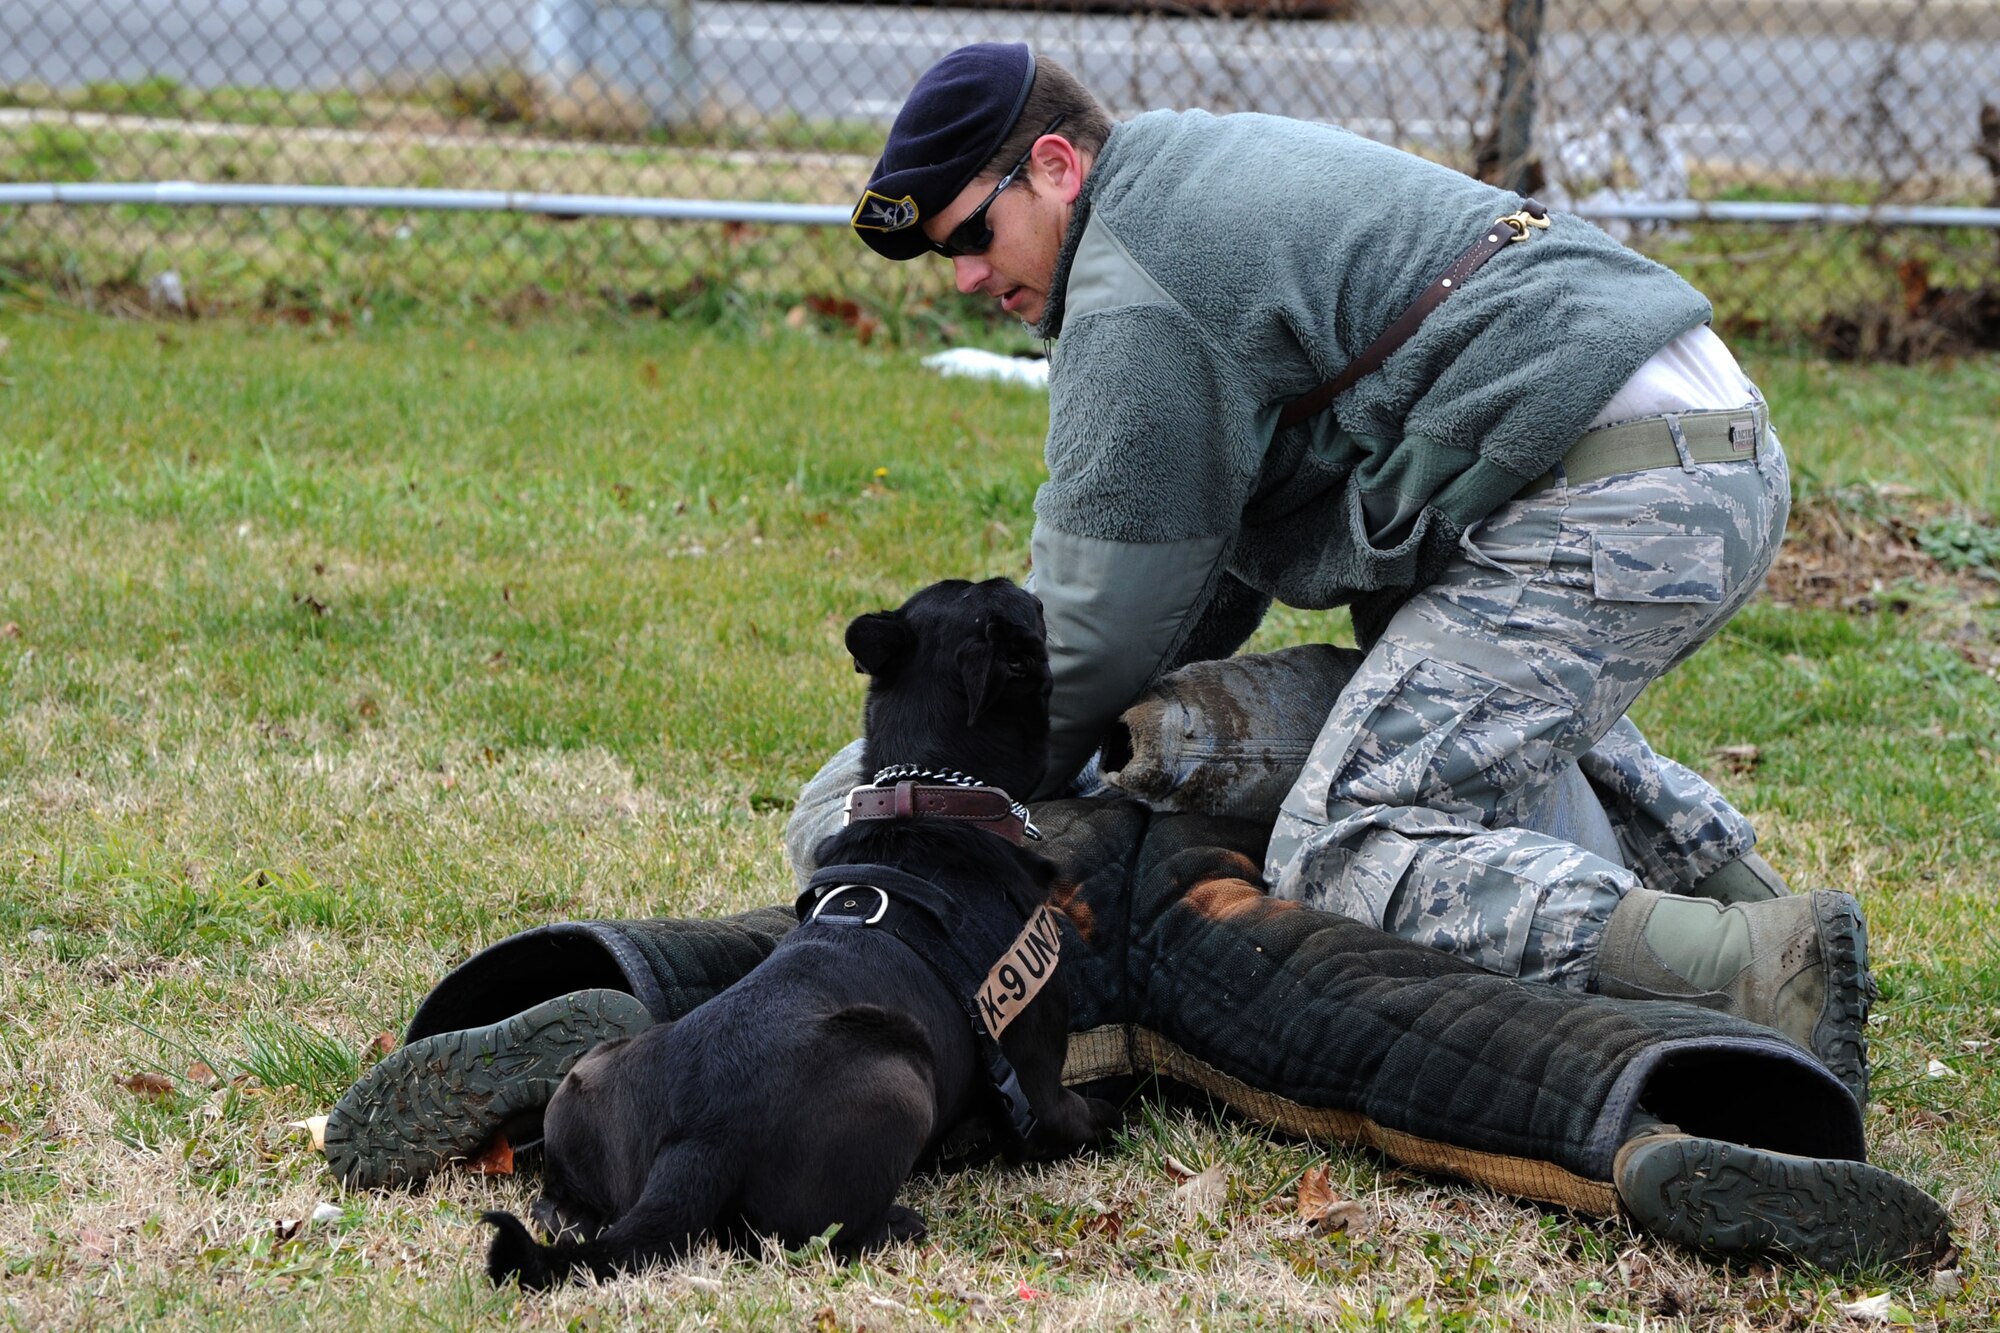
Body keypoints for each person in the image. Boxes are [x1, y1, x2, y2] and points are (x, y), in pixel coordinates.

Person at [845, 42, 1870, 1101]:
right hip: (1700, 445)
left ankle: (1748, 972)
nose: (965, 275)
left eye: (973, 233)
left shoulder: (1131, 284)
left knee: (1346, 840)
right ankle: (1761, 916)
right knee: (1478, 702)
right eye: (942, 254)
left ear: (1055, 166)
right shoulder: (1186, 174)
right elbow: (1197, 576)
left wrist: (945, 787)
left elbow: (1096, 630)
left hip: (1608, 486)